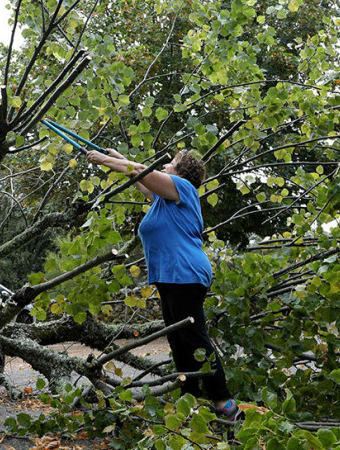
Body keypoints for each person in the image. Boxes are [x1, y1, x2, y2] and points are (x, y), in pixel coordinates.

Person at [85, 147, 244, 421]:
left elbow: (140, 171)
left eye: (171, 163)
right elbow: (140, 178)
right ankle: (190, 403)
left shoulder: (182, 188)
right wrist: (119, 157)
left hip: (185, 273)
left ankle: (226, 405)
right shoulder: (165, 200)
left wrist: (105, 161)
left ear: (182, 172)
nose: (166, 165)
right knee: (178, 340)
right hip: (172, 276)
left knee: (194, 340)